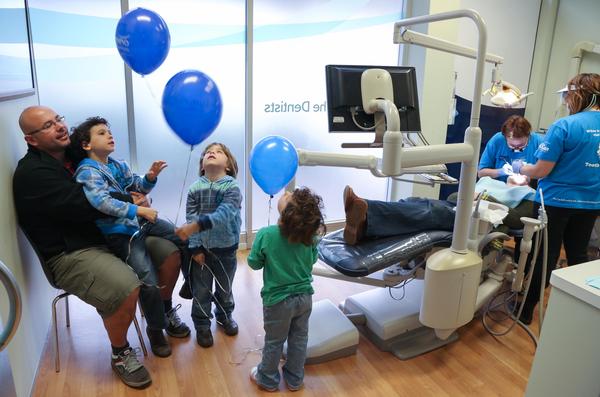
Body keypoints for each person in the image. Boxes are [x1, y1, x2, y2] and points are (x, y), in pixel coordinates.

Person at [13, 106, 153, 388]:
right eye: (48, 126)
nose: (60, 127)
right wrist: (131, 201)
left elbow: (108, 176)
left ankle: (161, 321)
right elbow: (84, 204)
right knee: (125, 285)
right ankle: (120, 352)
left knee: (167, 249)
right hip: (70, 253)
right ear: (31, 140)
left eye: (58, 120)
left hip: (101, 236)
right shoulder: (33, 173)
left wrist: (137, 190)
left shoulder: (72, 156)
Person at [68, 116, 191, 357]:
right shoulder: (86, 171)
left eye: (109, 131)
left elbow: (137, 187)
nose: (109, 135)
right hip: (122, 235)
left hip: (143, 223)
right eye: (102, 133)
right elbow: (102, 202)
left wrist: (150, 177)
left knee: (185, 237)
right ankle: (156, 329)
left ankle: (190, 284)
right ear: (86, 145)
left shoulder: (118, 165)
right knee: (148, 280)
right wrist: (140, 209)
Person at [516, 73, 600, 324]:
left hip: (555, 202)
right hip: (592, 203)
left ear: (578, 95)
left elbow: (541, 170)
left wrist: (522, 168)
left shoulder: (565, 126)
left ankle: (526, 311)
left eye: (567, 96)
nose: (565, 101)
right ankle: (578, 314)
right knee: (577, 254)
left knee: (544, 256)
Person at [247, 187, 326, 392]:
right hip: (305, 298)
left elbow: (254, 263)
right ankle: (295, 379)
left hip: (278, 301)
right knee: (299, 339)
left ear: (287, 213)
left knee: (274, 341)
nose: (287, 191)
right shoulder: (309, 235)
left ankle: (267, 379)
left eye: (289, 197)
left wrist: (264, 253)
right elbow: (312, 259)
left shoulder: (266, 234)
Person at [175, 142, 242, 348]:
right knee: (202, 290)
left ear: (228, 165)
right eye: (207, 152)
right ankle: (202, 325)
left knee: (225, 287)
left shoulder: (232, 187)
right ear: (203, 165)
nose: (212, 153)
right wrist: (195, 247)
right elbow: (190, 216)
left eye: (219, 151)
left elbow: (225, 214)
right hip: (202, 250)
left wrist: (195, 226)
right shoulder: (195, 189)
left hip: (226, 250)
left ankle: (224, 315)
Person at [343, 178, 535, 246]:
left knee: (432, 212)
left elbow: (518, 220)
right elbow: (453, 197)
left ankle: (366, 211)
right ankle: (364, 226)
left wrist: (482, 197)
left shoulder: (528, 193)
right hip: (458, 207)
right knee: (414, 201)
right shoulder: (490, 182)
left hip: (478, 221)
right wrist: (471, 195)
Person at [478, 115, 543, 184]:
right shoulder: (497, 140)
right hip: (498, 188)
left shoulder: (538, 143)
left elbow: (546, 174)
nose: (517, 149)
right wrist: (501, 171)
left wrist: (530, 174)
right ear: (505, 137)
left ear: (528, 136)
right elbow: (481, 173)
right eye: (512, 146)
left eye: (521, 146)